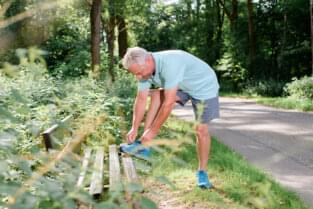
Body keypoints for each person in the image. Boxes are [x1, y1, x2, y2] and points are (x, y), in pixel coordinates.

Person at [120, 47, 220, 189]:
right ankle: (144, 144)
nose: (139, 77)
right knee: (155, 96)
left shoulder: (170, 64)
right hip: (182, 84)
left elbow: (168, 104)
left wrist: (153, 131)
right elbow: (141, 99)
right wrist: (134, 128)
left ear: (148, 61)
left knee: (200, 130)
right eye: (135, 74)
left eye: (140, 73)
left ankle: (202, 173)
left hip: (203, 87)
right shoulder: (144, 71)